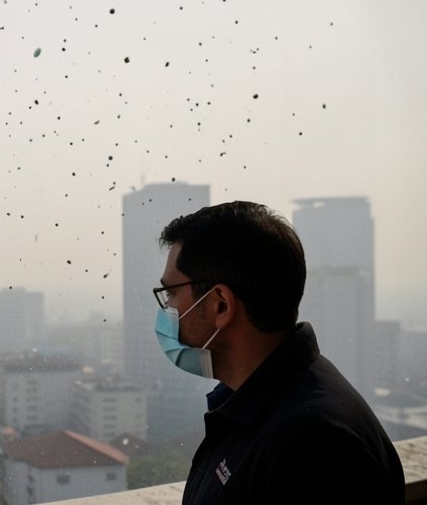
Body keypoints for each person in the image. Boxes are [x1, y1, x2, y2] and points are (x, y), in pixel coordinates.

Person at [154, 201, 404, 504]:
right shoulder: (260, 406)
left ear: (220, 304)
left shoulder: (314, 444)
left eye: (171, 293)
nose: (167, 309)